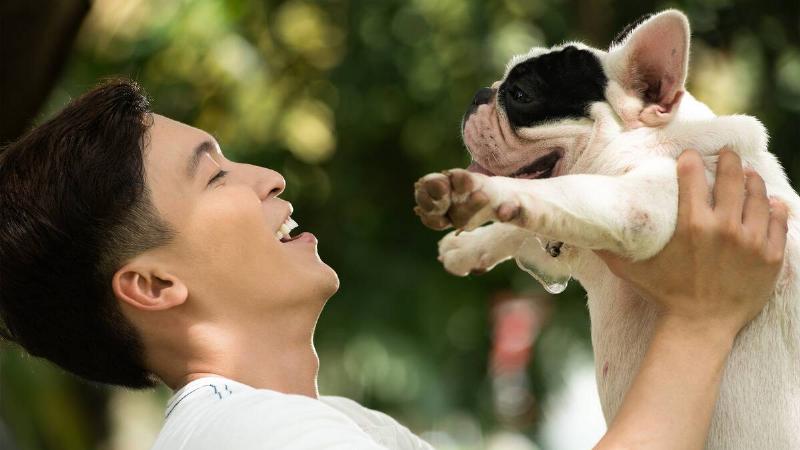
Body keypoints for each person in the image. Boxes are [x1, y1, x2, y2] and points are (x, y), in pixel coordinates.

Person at [0, 79, 787, 450]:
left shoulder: (330, 429)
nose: (267, 177)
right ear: (153, 285)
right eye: (214, 176)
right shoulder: (246, 437)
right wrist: (700, 320)